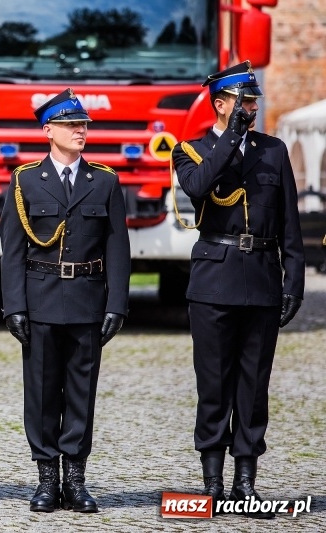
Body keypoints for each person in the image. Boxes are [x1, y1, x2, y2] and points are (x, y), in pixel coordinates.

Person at [171, 61, 304, 519]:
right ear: (220, 104)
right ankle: (211, 480)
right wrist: (232, 136)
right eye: (243, 102)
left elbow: (290, 222)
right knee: (214, 385)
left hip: (263, 277)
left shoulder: (273, 150)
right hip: (213, 280)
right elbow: (199, 187)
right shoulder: (190, 149)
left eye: (253, 102)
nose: (251, 109)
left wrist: (295, 282)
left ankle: (246, 480)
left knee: (253, 385)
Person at [0, 89, 130, 513]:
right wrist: (13, 306)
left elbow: (117, 248)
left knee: (80, 392)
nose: (81, 131)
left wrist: (117, 304)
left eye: (84, 125)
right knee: (39, 393)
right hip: (39, 299)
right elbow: (13, 249)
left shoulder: (105, 181)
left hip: (87, 299)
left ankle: (76, 478)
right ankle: (46, 478)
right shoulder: (25, 181)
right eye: (72, 125)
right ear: (48, 130)